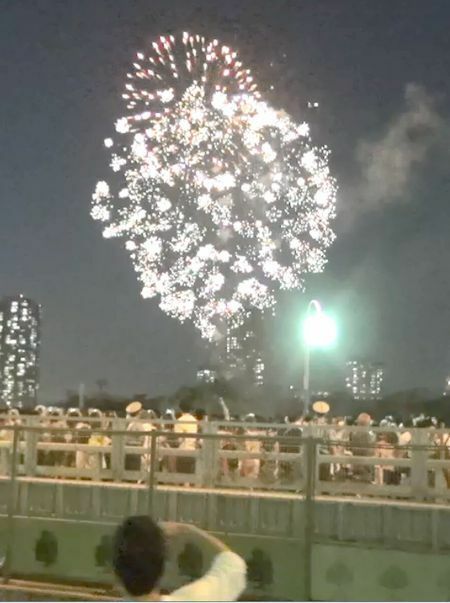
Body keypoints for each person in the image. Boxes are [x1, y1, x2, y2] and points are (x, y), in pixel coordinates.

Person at [112, 515, 246, 601]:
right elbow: (233, 564)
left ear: (116, 572)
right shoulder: (196, 598)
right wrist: (189, 530)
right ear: (163, 566)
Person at [173, 401, 198, 476]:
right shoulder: (194, 420)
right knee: (190, 473)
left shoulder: (179, 421)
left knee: (182, 474)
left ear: (180, 409)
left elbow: (179, 439)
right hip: (192, 448)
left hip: (183, 449)